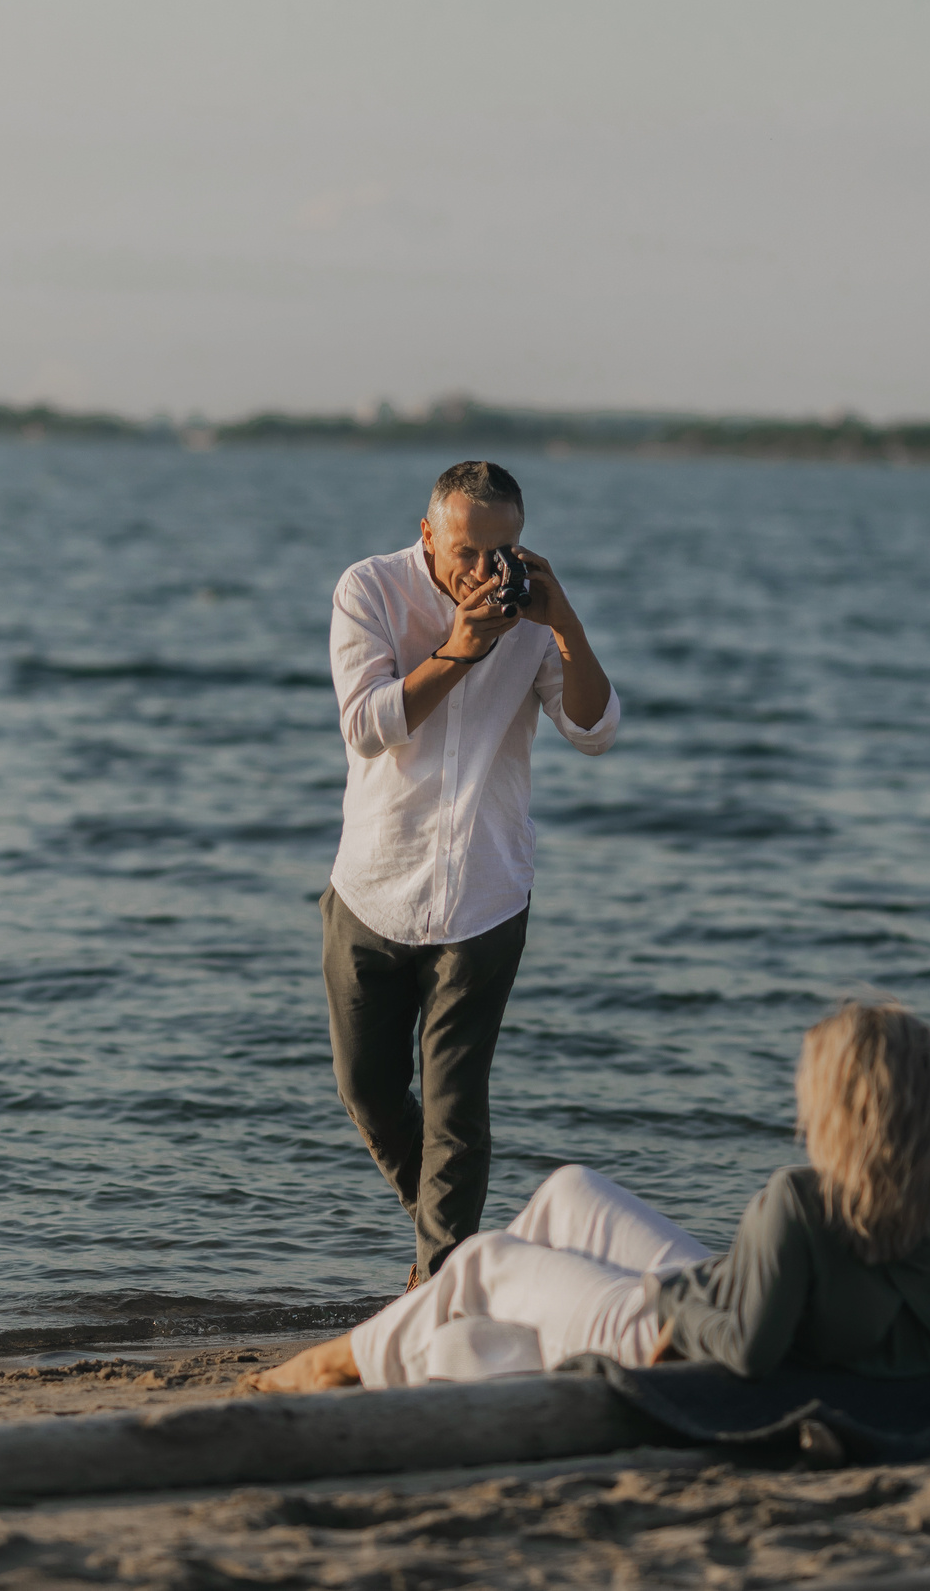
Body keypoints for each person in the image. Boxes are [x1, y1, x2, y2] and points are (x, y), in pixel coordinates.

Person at [254, 999, 930, 1391]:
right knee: (570, 1189)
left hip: (666, 1333)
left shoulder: (799, 1201)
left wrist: (672, 1297)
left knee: (483, 1258)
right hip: (736, 1290)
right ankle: (454, 1344)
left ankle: (326, 1365)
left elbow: (748, 1349)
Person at [322, 460, 619, 1285]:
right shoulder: (368, 589)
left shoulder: (531, 614)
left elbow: (595, 731)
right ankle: (456, 1252)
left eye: (503, 550)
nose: (485, 569)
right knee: (366, 1090)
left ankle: (443, 1282)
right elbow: (366, 724)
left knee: (455, 1108)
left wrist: (566, 624)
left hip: (484, 893)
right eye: (467, 551)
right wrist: (458, 650)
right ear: (427, 533)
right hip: (372, 885)